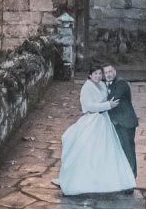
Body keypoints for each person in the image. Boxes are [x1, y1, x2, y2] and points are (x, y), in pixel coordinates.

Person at [53, 65, 136, 195]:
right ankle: (85, 179)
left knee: (107, 151)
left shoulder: (104, 85)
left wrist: (107, 105)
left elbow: (110, 97)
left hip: (105, 121)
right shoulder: (87, 87)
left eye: (100, 73)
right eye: (95, 74)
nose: (98, 76)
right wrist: (108, 105)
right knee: (89, 150)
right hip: (93, 120)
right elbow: (88, 106)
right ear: (90, 75)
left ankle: (111, 179)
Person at [103, 64, 138, 179]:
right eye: (106, 72)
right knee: (122, 150)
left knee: (128, 150)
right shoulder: (107, 84)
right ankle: (124, 178)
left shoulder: (121, 83)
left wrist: (95, 105)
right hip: (118, 122)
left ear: (115, 71)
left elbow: (112, 100)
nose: (108, 74)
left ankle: (131, 179)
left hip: (125, 122)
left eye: (110, 71)